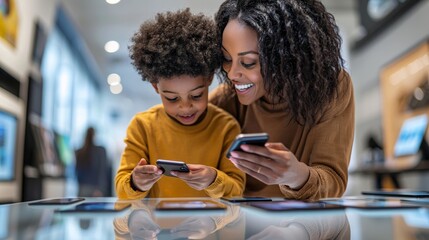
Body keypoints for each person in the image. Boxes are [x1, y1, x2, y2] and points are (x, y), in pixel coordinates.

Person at [209, 0, 355, 200]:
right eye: (227, 59)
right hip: (241, 223)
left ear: (285, 58)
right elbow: (167, 122)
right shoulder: (226, 98)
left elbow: (334, 180)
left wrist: (296, 176)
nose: (233, 74)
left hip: (306, 227)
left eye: (248, 62)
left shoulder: (331, 87)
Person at [115, 9, 245, 199]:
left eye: (197, 95)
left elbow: (237, 189)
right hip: (158, 227)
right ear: (155, 87)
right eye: (172, 98)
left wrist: (213, 179)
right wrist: (136, 182)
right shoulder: (142, 126)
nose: (185, 107)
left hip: (211, 227)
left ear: (209, 79)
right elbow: (122, 188)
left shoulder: (226, 127)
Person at [75, 127, 111, 197]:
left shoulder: (79, 152)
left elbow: (77, 173)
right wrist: (101, 189)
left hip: (82, 190)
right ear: (95, 135)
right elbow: (102, 171)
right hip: (96, 190)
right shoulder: (101, 150)